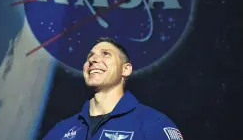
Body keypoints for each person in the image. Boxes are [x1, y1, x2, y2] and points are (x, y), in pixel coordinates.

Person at [42, 37, 184, 140]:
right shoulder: (61, 130)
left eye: (106, 54)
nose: (93, 60)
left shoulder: (154, 124)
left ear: (126, 69)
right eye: (90, 56)